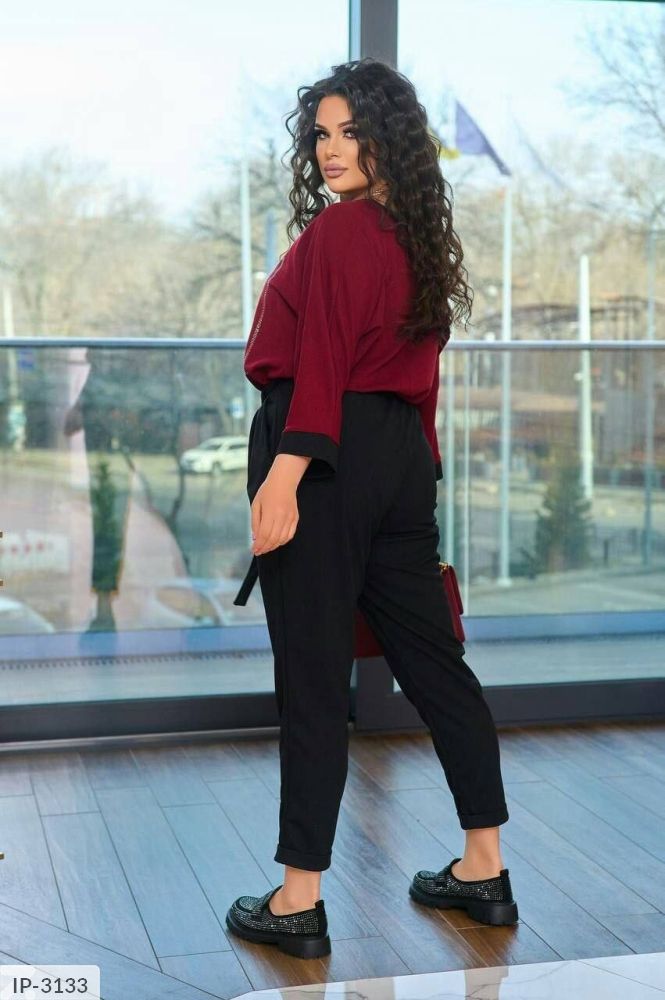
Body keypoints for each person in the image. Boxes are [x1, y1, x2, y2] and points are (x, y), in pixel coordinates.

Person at [226, 57, 518, 960]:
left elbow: (320, 358)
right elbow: (419, 379)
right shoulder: (417, 238)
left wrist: (287, 469)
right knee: (436, 663)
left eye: (351, 131)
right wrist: (416, 471)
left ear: (387, 137)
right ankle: (483, 868)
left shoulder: (342, 229)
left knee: (313, 675)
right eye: (321, 134)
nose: (331, 149)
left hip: (323, 451)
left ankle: (297, 900)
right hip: (400, 458)